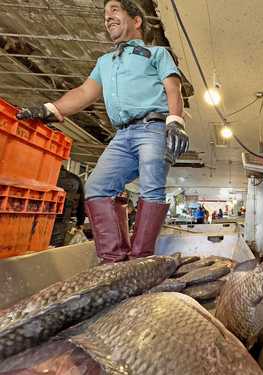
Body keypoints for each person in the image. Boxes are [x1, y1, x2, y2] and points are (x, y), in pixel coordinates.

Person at [16, 0, 188, 262]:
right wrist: (51, 108)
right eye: (105, 15)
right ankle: (114, 260)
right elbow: (85, 93)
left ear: (136, 20)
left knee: (151, 188)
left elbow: (173, 87)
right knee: (96, 187)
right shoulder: (105, 63)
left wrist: (175, 120)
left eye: (114, 11)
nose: (108, 18)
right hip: (122, 135)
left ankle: (141, 261)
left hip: (152, 128)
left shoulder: (156, 54)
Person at [50, 166, 86, 247]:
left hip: (39, 216)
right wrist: (80, 222)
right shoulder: (74, 179)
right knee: (55, 247)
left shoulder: (45, 175)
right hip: (62, 219)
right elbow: (81, 202)